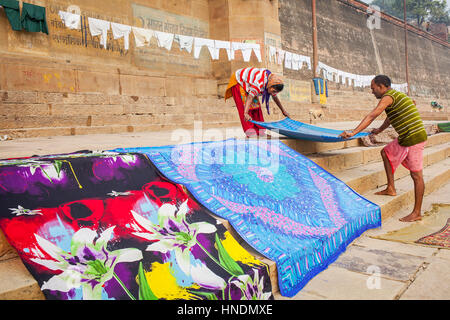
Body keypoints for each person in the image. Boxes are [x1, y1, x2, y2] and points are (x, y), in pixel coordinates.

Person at [339, 75, 427, 222]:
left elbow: (372, 115)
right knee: (385, 152)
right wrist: (379, 130)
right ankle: (391, 188)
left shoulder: (388, 97)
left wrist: (353, 132)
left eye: (373, 88)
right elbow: (391, 117)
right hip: (406, 136)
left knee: (416, 176)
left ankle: (417, 213)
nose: (372, 91)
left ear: (381, 86)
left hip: (414, 137)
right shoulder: (395, 96)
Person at [224, 67, 290, 137]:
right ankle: (250, 132)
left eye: (275, 92)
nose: (273, 93)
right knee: (245, 107)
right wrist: (245, 113)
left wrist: (283, 111)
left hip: (249, 84)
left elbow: (275, 97)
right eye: (273, 91)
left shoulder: (271, 82)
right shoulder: (259, 83)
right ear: (270, 86)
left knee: (256, 107)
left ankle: (260, 132)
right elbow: (250, 97)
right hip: (239, 81)